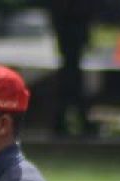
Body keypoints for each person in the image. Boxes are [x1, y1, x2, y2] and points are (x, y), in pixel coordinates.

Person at [48, 0, 98, 137]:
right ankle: (72, 117)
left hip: (69, 21)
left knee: (70, 69)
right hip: (72, 21)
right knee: (72, 71)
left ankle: (63, 117)